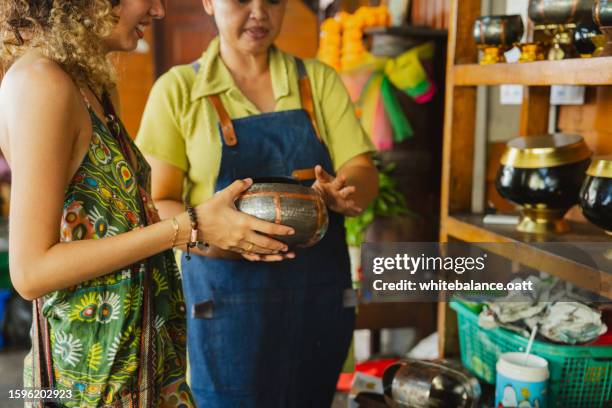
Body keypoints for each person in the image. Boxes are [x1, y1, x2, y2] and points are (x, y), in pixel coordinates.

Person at [0, 1, 294, 406]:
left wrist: (218, 228)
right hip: (88, 382)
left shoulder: (93, 84)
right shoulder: (39, 83)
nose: (158, 11)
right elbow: (31, 271)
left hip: (144, 365)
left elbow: (120, 224)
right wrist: (187, 226)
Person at [135, 0, 379, 406]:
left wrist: (343, 189)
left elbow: (363, 171)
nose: (259, 13)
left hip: (314, 303)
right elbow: (156, 203)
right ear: (210, 3)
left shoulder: (318, 81)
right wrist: (206, 229)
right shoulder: (177, 90)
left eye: (273, 1)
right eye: (241, 0)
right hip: (222, 309)